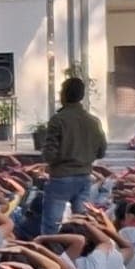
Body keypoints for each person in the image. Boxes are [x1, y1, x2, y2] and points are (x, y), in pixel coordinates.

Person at [41, 77, 107, 234]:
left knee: (52, 225)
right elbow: (101, 151)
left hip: (61, 178)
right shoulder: (93, 121)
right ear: (81, 96)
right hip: (84, 176)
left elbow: (49, 153)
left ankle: (52, 254)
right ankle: (80, 251)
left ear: (64, 95)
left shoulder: (58, 120)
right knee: (81, 224)